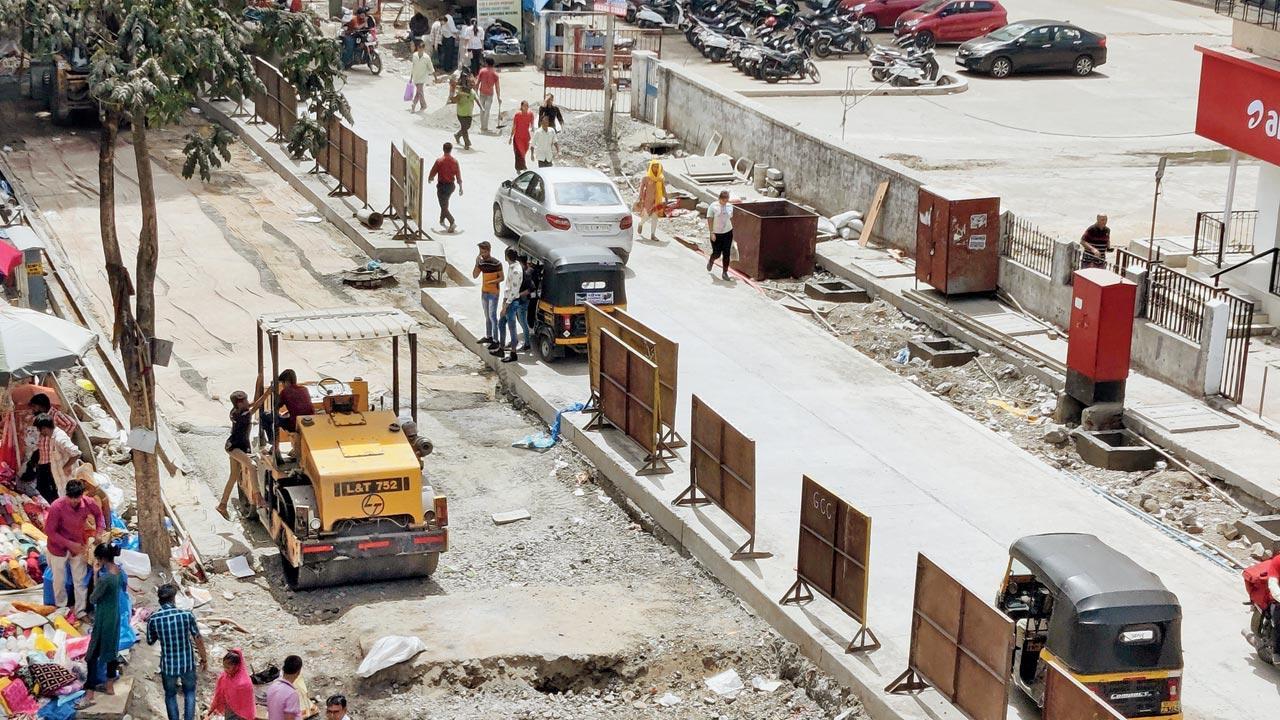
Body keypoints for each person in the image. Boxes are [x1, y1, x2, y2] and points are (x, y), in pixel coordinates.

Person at [147, 583, 208, 720]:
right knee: (190, 692)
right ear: (173, 598)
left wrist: (160, 633)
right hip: (187, 663)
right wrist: (204, 658)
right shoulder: (186, 615)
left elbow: (150, 640)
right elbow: (198, 638)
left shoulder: (154, 618)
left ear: (159, 599)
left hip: (168, 665)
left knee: (170, 695)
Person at [44, 479, 103, 617]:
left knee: (80, 581)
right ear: (67, 495)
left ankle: (80, 610)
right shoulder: (56, 507)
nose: (74, 501)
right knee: (59, 581)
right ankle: (61, 607)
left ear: (82, 495)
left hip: (79, 544)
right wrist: (70, 544)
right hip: (57, 548)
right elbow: (50, 531)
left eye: (77, 498)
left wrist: (99, 531)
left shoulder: (88, 503)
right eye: (72, 498)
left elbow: (99, 515)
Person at [217, 390, 265, 520]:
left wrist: (259, 379)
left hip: (234, 446)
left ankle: (222, 505)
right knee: (252, 466)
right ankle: (258, 496)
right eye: (244, 401)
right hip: (235, 448)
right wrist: (269, 392)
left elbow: (254, 402)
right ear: (239, 404)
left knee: (233, 476)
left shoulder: (235, 411)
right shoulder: (244, 416)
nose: (246, 402)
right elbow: (257, 405)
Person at [85, 543, 123, 700]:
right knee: (111, 650)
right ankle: (109, 685)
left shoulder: (105, 579)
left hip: (103, 617)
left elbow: (94, 598)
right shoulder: (118, 572)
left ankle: (90, 690)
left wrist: (95, 575)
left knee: (92, 654)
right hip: (114, 615)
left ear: (101, 559)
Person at [32, 414, 80, 502]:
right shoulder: (52, 438)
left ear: (44, 428)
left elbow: (76, 453)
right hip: (61, 481)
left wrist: (66, 466)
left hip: (68, 480)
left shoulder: (59, 438)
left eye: (40, 429)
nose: (40, 432)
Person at [493, 247, 525, 363]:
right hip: (508, 300)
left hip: (512, 302)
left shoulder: (516, 270)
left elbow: (514, 291)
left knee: (512, 327)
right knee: (501, 323)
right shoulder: (512, 267)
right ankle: (501, 348)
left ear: (507, 256)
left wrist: (505, 305)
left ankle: (513, 353)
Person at [205, 649, 256, 720]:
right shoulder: (224, 677)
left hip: (241, 717)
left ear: (237, 667)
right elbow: (218, 695)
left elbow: (247, 706)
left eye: (228, 667)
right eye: (224, 667)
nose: (225, 670)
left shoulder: (244, 684)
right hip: (229, 711)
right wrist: (210, 711)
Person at [473, 241, 504, 347]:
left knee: (492, 316)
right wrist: (477, 263)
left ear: (489, 251)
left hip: (493, 293)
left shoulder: (497, 263)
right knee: (487, 316)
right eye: (480, 252)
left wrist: (492, 282)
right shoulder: (481, 263)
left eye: (484, 252)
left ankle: (496, 340)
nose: (482, 254)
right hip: (484, 292)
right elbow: (475, 275)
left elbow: (502, 277)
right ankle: (488, 336)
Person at [428, 142, 463, 232]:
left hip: (442, 186)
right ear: (451, 150)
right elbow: (458, 175)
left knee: (443, 205)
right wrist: (460, 187)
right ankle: (442, 219)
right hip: (451, 186)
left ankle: (452, 222)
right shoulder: (455, 161)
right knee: (445, 202)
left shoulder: (439, 161)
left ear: (443, 149)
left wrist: (430, 178)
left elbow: (433, 171)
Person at [706, 190, 735, 280]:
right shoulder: (713, 206)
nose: (725, 203)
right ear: (719, 199)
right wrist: (712, 232)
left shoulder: (729, 206)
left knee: (726, 253)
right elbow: (710, 219)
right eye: (723, 201)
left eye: (726, 200)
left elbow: (730, 217)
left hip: (727, 232)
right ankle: (711, 260)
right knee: (717, 253)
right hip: (716, 233)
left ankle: (725, 272)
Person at [275, 369, 314, 435]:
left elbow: (276, 406)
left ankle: (271, 441)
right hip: (311, 421)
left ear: (286, 382)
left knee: (266, 416)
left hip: (295, 424)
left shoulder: (285, 392)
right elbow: (301, 407)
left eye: (282, 383)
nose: (283, 386)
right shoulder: (304, 389)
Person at [635, 160, 666, 242]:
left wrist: (666, 197)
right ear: (651, 167)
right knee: (646, 216)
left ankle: (653, 235)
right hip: (647, 201)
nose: (655, 168)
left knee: (655, 217)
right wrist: (640, 198)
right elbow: (641, 189)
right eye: (654, 166)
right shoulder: (646, 178)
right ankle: (640, 224)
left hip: (657, 201)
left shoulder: (661, 178)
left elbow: (663, 188)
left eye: (657, 166)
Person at [266, 655, 304, 720]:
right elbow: (289, 718)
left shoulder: (272, 687)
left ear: (283, 669)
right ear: (298, 672)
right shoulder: (291, 694)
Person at [475, 57, 501, 134]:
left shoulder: (482, 71)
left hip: (482, 92)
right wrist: (498, 97)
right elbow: (497, 87)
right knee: (487, 110)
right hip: (490, 94)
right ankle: (485, 127)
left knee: (482, 109)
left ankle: (482, 126)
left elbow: (477, 82)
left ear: (486, 63)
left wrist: (475, 91)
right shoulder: (495, 74)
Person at [409, 40, 435, 114]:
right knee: (419, 92)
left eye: (422, 47)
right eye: (419, 47)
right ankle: (423, 105)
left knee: (419, 91)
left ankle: (413, 105)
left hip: (422, 77)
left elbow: (431, 67)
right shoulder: (414, 55)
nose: (420, 49)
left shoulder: (426, 58)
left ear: (424, 48)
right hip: (416, 76)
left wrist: (435, 77)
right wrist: (411, 77)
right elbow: (413, 67)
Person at [509, 100, 534, 172]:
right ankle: (521, 167)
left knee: (524, 151)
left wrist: (533, 129)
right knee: (519, 152)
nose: (526, 107)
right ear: (521, 107)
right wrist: (511, 137)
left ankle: (522, 165)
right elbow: (514, 126)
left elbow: (532, 124)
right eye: (524, 106)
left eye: (527, 106)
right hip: (518, 137)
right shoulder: (517, 115)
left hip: (526, 137)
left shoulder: (530, 114)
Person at [453, 73, 475, 150]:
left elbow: (476, 98)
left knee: (467, 126)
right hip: (461, 112)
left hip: (469, 112)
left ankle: (458, 135)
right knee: (464, 128)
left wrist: (481, 107)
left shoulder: (472, 91)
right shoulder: (459, 89)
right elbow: (455, 98)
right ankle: (467, 143)